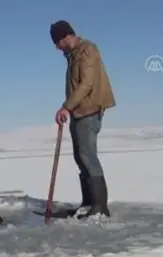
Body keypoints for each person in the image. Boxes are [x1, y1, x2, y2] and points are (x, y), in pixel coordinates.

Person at [49, 20, 116, 219]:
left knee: (88, 157)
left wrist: (66, 107)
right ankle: (88, 204)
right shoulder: (72, 55)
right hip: (78, 112)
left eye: (57, 42)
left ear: (65, 36)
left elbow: (86, 84)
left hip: (89, 110)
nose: (56, 47)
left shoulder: (87, 50)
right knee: (81, 157)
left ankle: (100, 207)